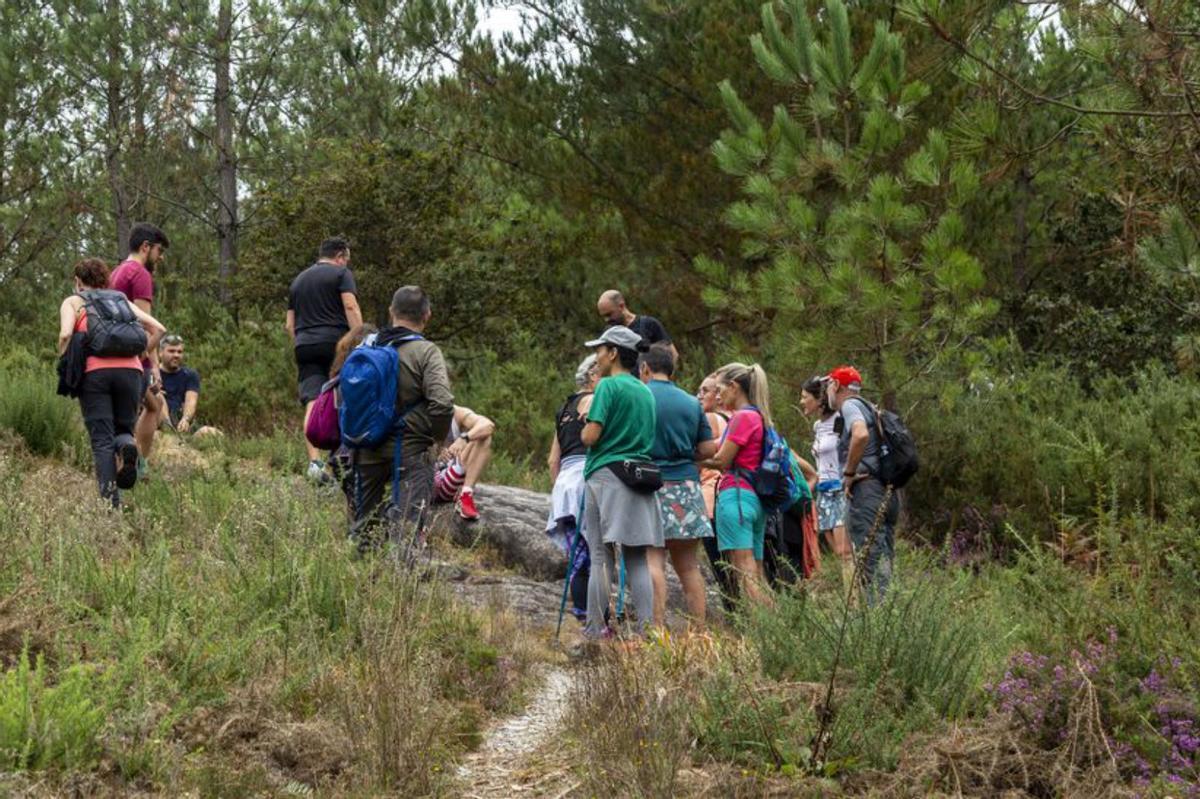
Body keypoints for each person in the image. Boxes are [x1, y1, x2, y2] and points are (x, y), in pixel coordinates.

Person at [349, 286, 453, 552]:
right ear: (427, 315)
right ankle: (400, 587)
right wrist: (437, 441)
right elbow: (441, 404)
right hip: (410, 449)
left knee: (363, 529)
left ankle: (359, 585)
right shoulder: (426, 352)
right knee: (406, 532)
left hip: (366, 447)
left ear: (391, 311)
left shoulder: (366, 345)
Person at [58, 258, 165, 507]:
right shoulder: (120, 300)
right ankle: (128, 447)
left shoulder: (74, 301)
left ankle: (110, 507)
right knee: (124, 432)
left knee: (102, 441)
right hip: (131, 374)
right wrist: (138, 356)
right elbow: (158, 329)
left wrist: (64, 359)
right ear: (106, 280)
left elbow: (65, 334)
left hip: (95, 375)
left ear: (77, 281)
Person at [579, 325, 661, 640]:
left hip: (605, 475)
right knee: (637, 557)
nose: (596, 355)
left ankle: (594, 630)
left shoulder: (607, 387)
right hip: (639, 476)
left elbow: (592, 436)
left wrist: (584, 426)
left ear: (613, 353)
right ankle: (645, 633)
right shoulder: (645, 390)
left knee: (601, 555)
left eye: (600, 349)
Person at [639, 344, 717, 627]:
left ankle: (656, 630)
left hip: (652, 485)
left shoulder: (641, 396)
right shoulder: (690, 402)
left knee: (653, 559)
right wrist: (685, 453)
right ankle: (699, 632)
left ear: (645, 368)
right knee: (688, 565)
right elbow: (708, 448)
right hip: (687, 485)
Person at [287, 236, 363, 483]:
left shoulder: (298, 281)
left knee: (313, 399)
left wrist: (301, 343)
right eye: (347, 259)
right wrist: (360, 342)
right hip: (336, 343)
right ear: (340, 256)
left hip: (304, 344)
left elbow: (290, 324)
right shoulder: (341, 274)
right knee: (345, 396)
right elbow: (350, 307)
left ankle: (314, 463)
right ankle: (345, 459)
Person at [700, 362, 774, 605]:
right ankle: (779, 632)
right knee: (756, 571)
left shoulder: (742, 417)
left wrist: (686, 457)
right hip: (755, 499)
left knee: (744, 572)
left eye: (720, 389)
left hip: (736, 498)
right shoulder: (757, 416)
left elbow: (721, 460)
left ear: (734, 387)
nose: (718, 395)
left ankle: (766, 632)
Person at [827, 365, 900, 605]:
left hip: (867, 492)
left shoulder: (849, 405)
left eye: (829, 384)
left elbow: (859, 435)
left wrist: (848, 473)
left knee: (871, 561)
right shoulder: (870, 407)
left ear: (837, 385)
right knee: (884, 558)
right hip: (886, 491)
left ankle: (876, 625)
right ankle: (889, 615)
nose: (826, 390)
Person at [110, 222, 169, 478]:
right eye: (159, 250)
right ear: (146, 247)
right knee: (151, 407)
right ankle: (133, 466)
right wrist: (154, 366)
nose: (161, 257)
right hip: (134, 354)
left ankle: (132, 465)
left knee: (152, 405)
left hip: (114, 350)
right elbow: (147, 324)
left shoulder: (117, 271)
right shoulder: (140, 274)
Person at [547, 354, 598, 621]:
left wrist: (559, 493)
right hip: (586, 476)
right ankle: (592, 616)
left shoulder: (563, 408)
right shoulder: (592, 401)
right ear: (593, 376)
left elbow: (552, 460)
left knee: (579, 552)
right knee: (593, 552)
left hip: (566, 481)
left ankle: (584, 613)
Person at [800, 375, 854, 597]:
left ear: (819, 399)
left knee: (846, 552)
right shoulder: (817, 426)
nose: (802, 402)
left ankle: (855, 604)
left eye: (805, 397)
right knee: (838, 553)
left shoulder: (841, 420)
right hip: (824, 492)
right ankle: (850, 598)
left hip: (840, 489)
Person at [696, 373, 738, 608]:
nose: (699, 395)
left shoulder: (711, 418)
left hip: (712, 497)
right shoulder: (735, 418)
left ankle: (734, 614)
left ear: (718, 396)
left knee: (720, 564)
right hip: (732, 495)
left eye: (705, 391)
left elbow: (705, 455)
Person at [434, 405, 495, 521]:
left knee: (484, 437)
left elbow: (488, 425)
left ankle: (466, 495)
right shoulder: (418, 410)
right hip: (425, 481)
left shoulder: (456, 413)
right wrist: (435, 453)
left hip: (449, 479)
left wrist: (464, 439)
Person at [157, 335, 218, 436]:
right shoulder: (151, 374)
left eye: (179, 352)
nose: (176, 355)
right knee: (157, 397)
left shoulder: (190, 375)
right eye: (171, 351)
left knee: (212, 433)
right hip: (158, 423)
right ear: (160, 353)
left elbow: (191, 401)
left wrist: (186, 419)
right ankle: (168, 429)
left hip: (182, 422)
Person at [596, 290, 677, 359]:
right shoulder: (608, 334)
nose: (606, 320)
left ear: (621, 306)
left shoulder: (648, 324)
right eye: (603, 316)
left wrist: (663, 377)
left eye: (609, 314)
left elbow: (673, 355)